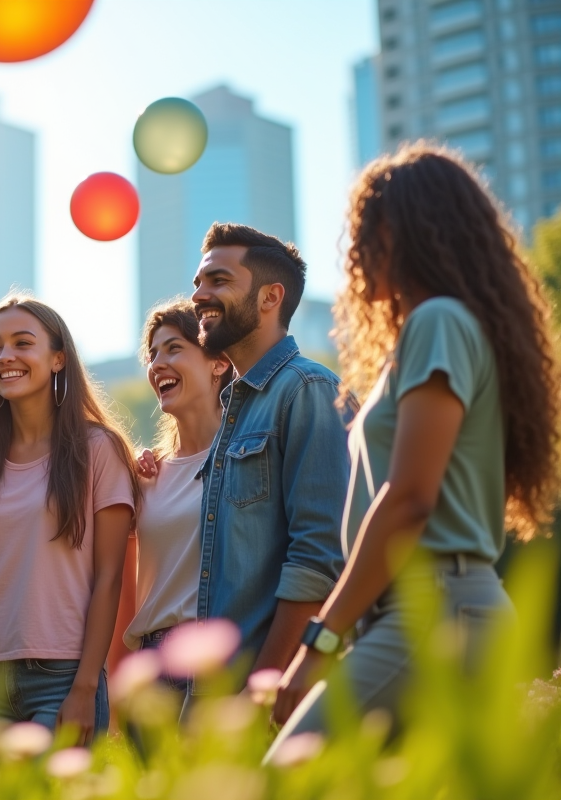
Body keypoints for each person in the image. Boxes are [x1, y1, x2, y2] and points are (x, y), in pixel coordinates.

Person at [269, 144, 561, 748]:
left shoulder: (439, 323)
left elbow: (408, 501)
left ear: (409, 232)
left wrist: (320, 642)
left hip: (432, 612)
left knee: (291, 779)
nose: (353, 252)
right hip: (428, 612)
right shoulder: (442, 329)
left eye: (365, 231)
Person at [0, 294, 138, 749]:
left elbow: (111, 577)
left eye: (22, 343)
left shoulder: (98, 450)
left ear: (58, 359)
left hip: (64, 675)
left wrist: (85, 686)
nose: (4, 357)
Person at [190, 223, 351, 695]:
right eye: (198, 282)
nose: (199, 295)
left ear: (270, 296)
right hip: (217, 692)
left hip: (269, 695)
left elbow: (319, 559)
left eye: (218, 280)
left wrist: (265, 688)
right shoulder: (236, 410)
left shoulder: (308, 390)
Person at [125, 300, 232, 693]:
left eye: (174, 348)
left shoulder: (248, 460)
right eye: (152, 354)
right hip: (151, 666)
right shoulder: (145, 475)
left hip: (219, 659)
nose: (157, 364)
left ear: (218, 362)